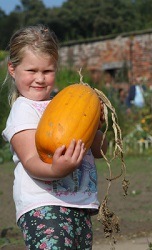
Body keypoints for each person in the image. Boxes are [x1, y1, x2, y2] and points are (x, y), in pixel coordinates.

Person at [2, 24, 107, 250]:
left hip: (79, 204)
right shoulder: (23, 109)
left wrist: (97, 125)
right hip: (43, 206)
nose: (40, 79)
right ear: (12, 69)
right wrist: (56, 170)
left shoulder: (68, 104)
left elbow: (100, 151)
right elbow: (31, 160)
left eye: (47, 71)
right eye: (32, 71)